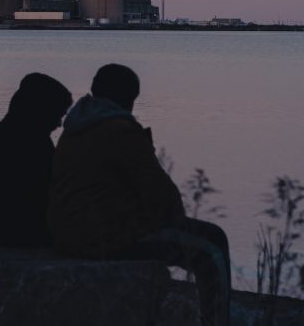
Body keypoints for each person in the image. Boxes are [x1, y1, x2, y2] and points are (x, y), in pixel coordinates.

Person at [49, 63, 231, 326]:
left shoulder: (75, 128)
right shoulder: (119, 130)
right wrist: (172, 219)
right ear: (129, 99)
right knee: (212, 245)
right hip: (102, 236)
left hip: (68, 232)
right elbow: (159, 191)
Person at [0, 72, 72, 248]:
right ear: (42, 110)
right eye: (57, 115)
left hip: (2, 232)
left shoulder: (3, 134)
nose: (59, 124)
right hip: (23, 234)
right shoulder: (28, 142)